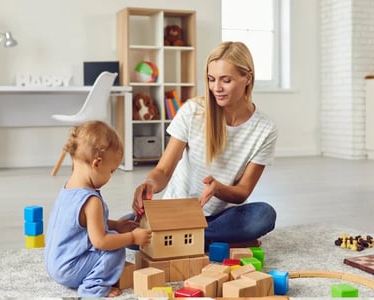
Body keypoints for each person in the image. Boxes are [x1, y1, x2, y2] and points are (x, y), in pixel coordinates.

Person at [132, 41, 278, 245]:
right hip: (178, 212)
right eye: (211, 79)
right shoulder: (192, 111)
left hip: (220, 218)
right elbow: (164, 170)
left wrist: (218, 189)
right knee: (126, 228)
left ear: (247, 78)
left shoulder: (265, 128)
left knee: (264, 215)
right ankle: (210, 241)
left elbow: (243, 192)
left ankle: (179, 241)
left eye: (226, 80)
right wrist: (149, 184)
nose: (216, 88)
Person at [45, 120, 152, 298]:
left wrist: (116, 225)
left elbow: (83, 223)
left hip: (55, 264)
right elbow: (100, 242)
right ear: (97, 163)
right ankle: (93, 288)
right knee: (115, 249)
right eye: (111, 171)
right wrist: (132, 237)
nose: (110, 176)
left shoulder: (68, 188)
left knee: (113, 234)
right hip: (69, 269)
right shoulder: (91, 200)